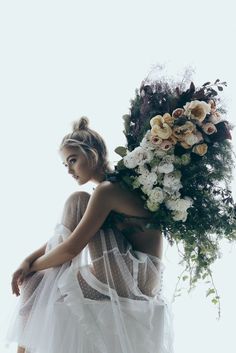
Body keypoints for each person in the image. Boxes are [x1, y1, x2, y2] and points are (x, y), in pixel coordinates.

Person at [7, 116, 174, 353]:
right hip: (131, 274)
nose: (69, 170)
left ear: (93, 154)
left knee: (76, 202)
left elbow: (72, 248)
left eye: (73, 161)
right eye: (65, 165)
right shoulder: (109, 188)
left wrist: (33, 267)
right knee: (37, 286)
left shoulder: (107, 191)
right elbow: (73, 236)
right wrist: (27, 261)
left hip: (137, 276)